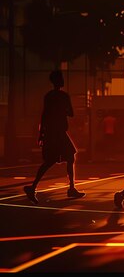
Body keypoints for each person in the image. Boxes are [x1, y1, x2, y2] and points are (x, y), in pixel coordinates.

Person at [24, 70, 86, 204]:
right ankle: (70, 188)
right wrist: (62, 110)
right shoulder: (63, 96)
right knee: (68, 156)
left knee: (53, 160)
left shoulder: (48, 96)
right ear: (58, 80)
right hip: (58, 133)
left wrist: (41, 134)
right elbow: (71, 113)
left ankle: (34, 187)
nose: (63, 80)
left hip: (51, 132)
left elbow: (44, 115)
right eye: (61, 78)